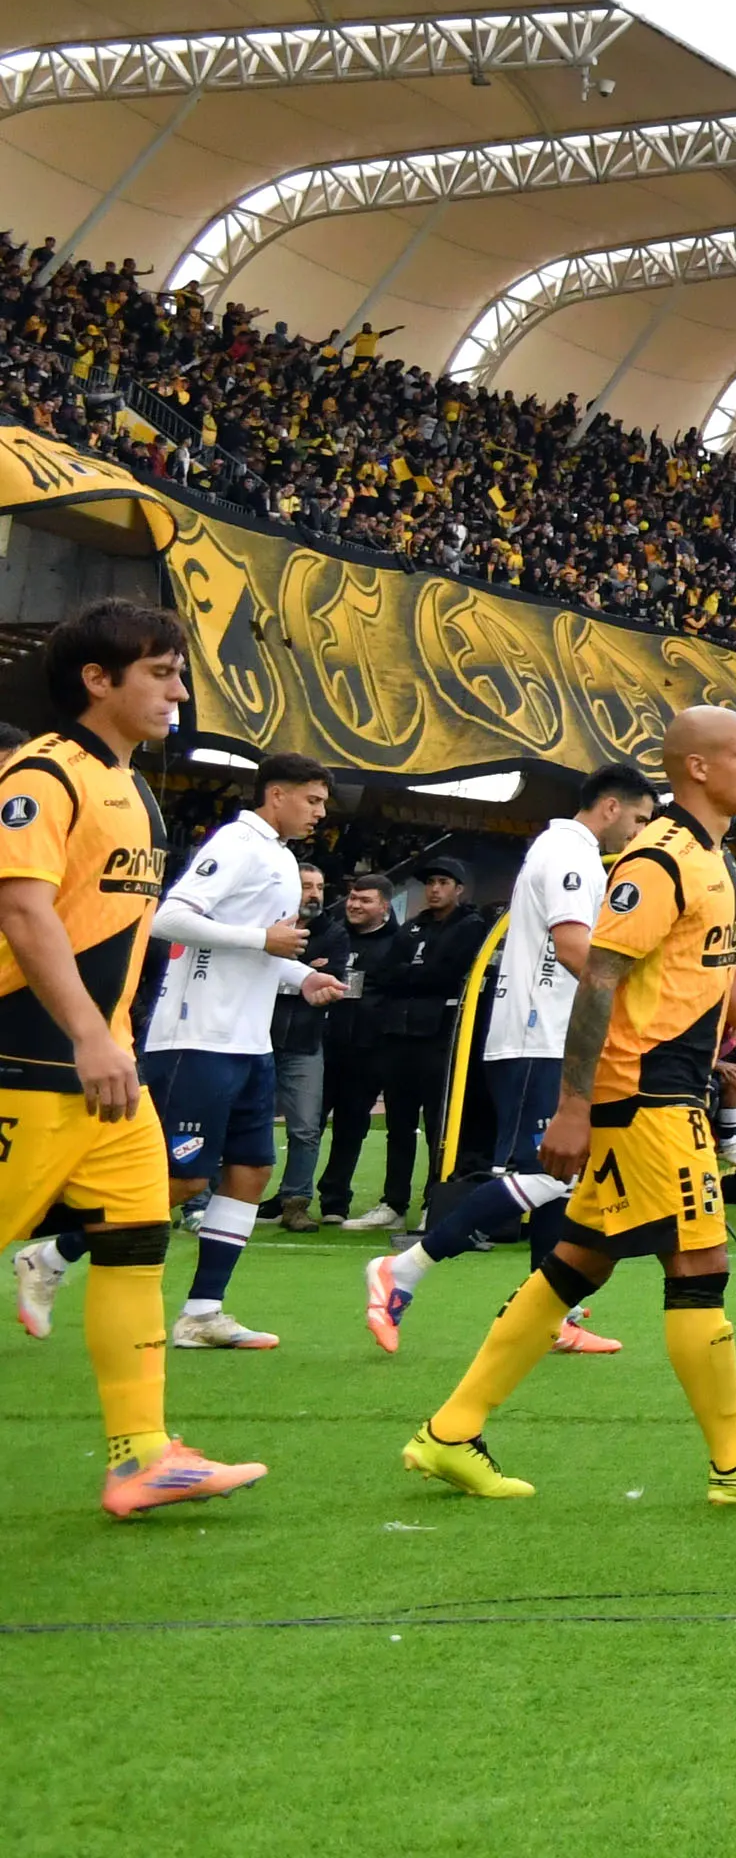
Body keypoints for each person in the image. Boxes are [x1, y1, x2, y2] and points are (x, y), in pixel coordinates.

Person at [401, 705, 736, 1504]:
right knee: (700, 1261)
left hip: (657, 1090)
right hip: (645, 1092)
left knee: (578, 1261)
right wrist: (573, 1107)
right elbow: (600, 978)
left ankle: (450, 1431)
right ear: (699, 769)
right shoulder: (660, 859)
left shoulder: (714, 861)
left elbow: (727, 976)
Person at [0, 603, 266, 1513]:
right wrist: (85, 1036)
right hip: (30, 1060)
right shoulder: (43, 773)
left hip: (105, 1072)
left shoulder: (137, 791)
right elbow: (23, 912)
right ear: (97, 679)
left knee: (135, 1246)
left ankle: (142, 1456)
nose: (179, 689)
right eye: (161, 671)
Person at [363, 768, 655, 1356]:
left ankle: (550, 1314)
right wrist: (638, 1006)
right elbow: (575, 950)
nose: (641, 831)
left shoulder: (565, 852)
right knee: (547, 1172)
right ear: (610, 807)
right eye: (641, 819)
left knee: (563, 1177)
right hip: (536, 1034)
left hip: (550, 1035)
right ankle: (405, 1269)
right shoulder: (569, 853)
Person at [126, 752, 343, 1352]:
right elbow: (168, 918)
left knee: (251, 1172)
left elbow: (256, 953)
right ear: (276, 794)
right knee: (184, 1179)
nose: (320, 814)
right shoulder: (239, 842)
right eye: (313, 800)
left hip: (249, 1042)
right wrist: (262, 938)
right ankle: (55, 1254)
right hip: (196, 1040)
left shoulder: (279, 856)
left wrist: (300, 976)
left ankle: (202, 1312)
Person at [356, 857, 480, 1230]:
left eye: (443, 882)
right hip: (399, 1036)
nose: (435, 889)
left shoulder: (471, 927)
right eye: (430, 883)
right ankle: (393, 1203)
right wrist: (415, 976)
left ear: (458, 888)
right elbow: (386, 972)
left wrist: (411, 975)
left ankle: (434, 1201)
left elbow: (447, 973)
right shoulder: (411, 928)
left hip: (439, 1038)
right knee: (399, 1123)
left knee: (438, 1128)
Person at [313, 870, 405, 1227]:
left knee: (351, 1126)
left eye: (364, 900)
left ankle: (335, 1199)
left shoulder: (397, 943)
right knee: (306, 1125)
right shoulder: (333, 935)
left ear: (384, 906)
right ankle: (293, 1194)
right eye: (352, 897)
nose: (354, 905)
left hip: (367, 1050)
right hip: (322, 1044)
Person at [269, 857, 333, 1229]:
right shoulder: (264, 927)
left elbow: (331, 979)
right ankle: (212, 1200)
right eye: (306, 886)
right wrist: (307, 971)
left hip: (306, 1043)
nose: (313, 894)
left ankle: (295, 1203)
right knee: (242, 1123)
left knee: (306, 1127)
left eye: (319, 888)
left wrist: (291, 971)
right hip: (257, 1037)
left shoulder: (332, 932)